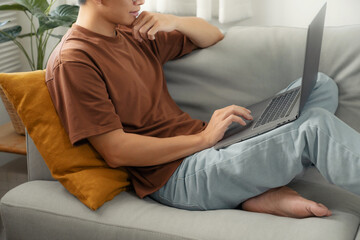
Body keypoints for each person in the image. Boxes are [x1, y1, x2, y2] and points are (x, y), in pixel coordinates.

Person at [45, 0, 360, 218]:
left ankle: (251, 186)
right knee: (314, 125)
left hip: (209, 145)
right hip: (177, 175)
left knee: (321, 84)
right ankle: (254, 183)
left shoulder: (130, 34)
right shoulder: (74, 61)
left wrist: (172, 21)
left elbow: (213, 35)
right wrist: (204, 140)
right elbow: (116, 151)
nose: (140, 2)